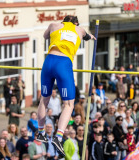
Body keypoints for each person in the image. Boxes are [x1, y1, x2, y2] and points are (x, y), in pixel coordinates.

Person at [36, 15, 96, 156]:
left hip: (49, 62)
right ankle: (59, 136)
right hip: (63, 64)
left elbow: (45, 36)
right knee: (69, 104)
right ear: (75, 23)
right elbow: (87, 37)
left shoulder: (53, 25)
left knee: (44, 100)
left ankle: (40, 132)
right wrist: (90, 36)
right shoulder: (79, 29)